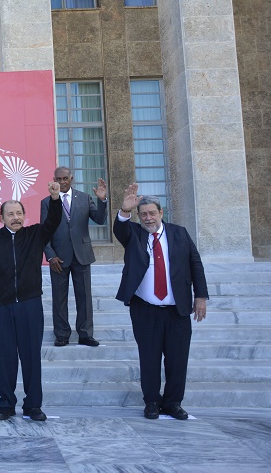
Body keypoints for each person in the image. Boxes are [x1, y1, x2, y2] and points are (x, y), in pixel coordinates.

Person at [114, 183, 208, 420]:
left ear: (161, 213)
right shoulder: (134, 234)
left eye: (152, 213)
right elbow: (120, 229)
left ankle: (173, 402)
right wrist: (125, 210)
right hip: (145, 310)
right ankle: (152, 402)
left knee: (177, 359)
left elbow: (195, 264)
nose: (148, 218)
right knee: (149, 358)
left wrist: (200, 296)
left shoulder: (179, 233)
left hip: (177, 309)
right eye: (143, 214)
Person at [0, 181, 62, 422]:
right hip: (2, 307)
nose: (15, 217)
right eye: (10, 214)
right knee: (5, 357)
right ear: (1, 217)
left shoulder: (35, 234)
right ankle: (6, 404)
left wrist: (55, 199)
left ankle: (33, 405)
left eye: (19, 213)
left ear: (24, 215)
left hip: (30, 305)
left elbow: (54, 221)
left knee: (31, 356)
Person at [41, 167, 108, 347]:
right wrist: (50, 255)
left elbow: (100, 219)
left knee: (84, 297)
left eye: (65, 178)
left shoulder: (85, 198)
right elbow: (44, 232)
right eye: (58, 179)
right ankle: (62, 334)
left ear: (71, 178)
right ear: (53, 179)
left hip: (82, 255)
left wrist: (102, 200)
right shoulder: (47, 202)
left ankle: (85, 334)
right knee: (59, 297)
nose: (62, 182)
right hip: (58, 258)